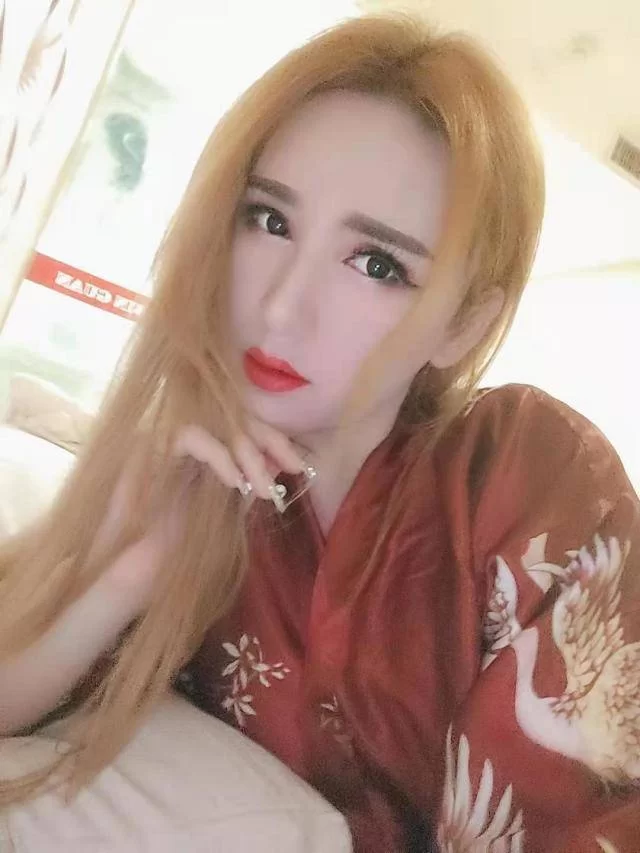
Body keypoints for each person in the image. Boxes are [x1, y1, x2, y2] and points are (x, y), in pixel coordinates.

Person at [1, 12, 639, 853]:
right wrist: (128, 570)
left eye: (378, 264)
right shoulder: (198, 483)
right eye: (269, 219)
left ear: (464, 324)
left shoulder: (517, 470)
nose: (281, 307)